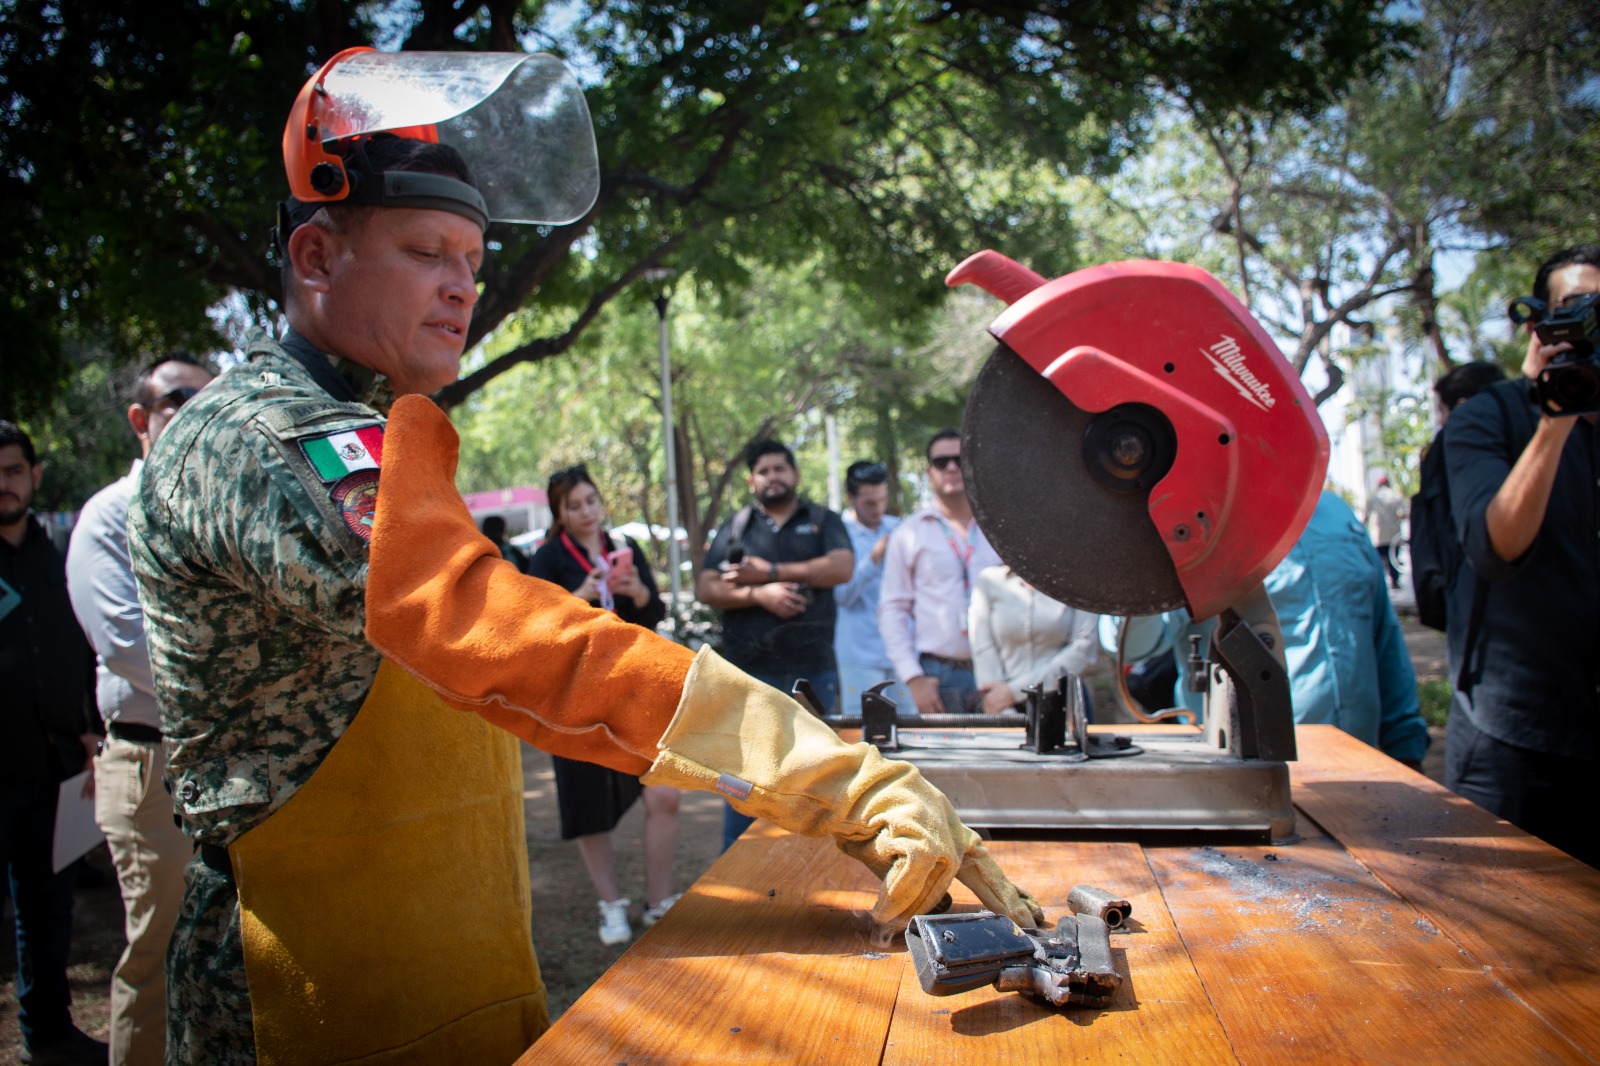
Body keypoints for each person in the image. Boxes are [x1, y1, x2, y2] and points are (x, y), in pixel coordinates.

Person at [128, 57, 1038, 1065]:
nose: (461, 289)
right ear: (315, 255)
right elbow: (505, 632)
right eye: (427, 251)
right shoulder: (266, 439)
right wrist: (831, 776)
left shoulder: (371, 428)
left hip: (443, 979)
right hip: (300, 1005)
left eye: (473, 260)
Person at [65, 354, 214, 1066]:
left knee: (228, 960)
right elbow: (131, 648)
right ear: (140, 419)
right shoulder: (107, 517)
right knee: (159, 960)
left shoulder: (224, 513)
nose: (195, 411)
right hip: (153, 763)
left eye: (210, 400)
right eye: (177, 399)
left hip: (226, 760)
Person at [1441, 244, 1600, 867]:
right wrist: (1556, 413)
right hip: (1511, 743)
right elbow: (1494, 545)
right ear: (1539, 323)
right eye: (1576, 307)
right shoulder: (1487, 418)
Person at [1106, 492, 1428, 767]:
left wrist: (1407, 745)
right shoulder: (1200, 520)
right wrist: (1140, 539)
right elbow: (1132, 646)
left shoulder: (1335, 512)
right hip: (1241, 776)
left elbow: (1383, 638)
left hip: (1359, 765)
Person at [525, 464, 679, 946]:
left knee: (664, 793)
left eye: (591, 501)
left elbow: (655, 612)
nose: (586, 512)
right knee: (589, 802)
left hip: (632, 688)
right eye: (574, 506)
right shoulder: (549, 558)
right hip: (575, 696)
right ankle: (611, 906)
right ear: (560, 513)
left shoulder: (623, 549)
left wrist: (635, 591)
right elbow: (538, 626)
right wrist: (582, 595)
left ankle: (660, 903)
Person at [0, 420, 107, 1066]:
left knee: (48, 910)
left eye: (12, 470)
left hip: (58, 769)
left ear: (33, 476)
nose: (2, 484)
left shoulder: (63, 554)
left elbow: (85, 649)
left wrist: (90, 731)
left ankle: (49, 1032)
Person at [697, 439, 854, 849]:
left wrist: (769, 571)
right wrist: (759, 595)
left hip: (813, 669)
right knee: (744, 772)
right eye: (763, 471)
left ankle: (817, 859)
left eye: (780, 469)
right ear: (752, 481)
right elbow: (706, 586)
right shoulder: (737, 527)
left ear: (796, 474)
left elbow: (842, 566)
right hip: (750, 672)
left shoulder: (822, 520)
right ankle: (736, 860)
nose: (773, 477)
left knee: (817, 771)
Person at [879, 429, 1002, 716]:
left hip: (1005, 671)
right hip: (939, 674)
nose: (951, 467)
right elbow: (892, 610)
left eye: (959, 459)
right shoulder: (909, 533)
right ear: (928, 471)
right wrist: (913, 677)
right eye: (941, 461)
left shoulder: (1001, 529)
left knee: (1006, 757)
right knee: (948, 760)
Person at [1409, 362, 1507, 630]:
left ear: (1463, 407)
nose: (1440, 421)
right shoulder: (1533, 431)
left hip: (1473, 604)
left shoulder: (1446, 446)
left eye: (1441, 411)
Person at [969, 565, 1100, 715]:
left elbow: (1084, 647)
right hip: (1002, 708)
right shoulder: (989, 580)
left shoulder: (1077, 580)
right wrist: (1002, 707)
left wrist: (1015, 692)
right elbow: (982, 647)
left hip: (1062, 705)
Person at [834, 460, 909, 717]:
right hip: (859, 654)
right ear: (850, 498)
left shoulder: (899, 528)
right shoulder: (838, 534)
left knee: (914, 730)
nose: (878, 508)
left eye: (882, 500)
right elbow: (842, 596)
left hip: (903, 652)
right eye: (869, 503)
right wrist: (874, 558)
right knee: (866, 734)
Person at [1363, 474, 1406, 589]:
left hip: (1378, 535)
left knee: (1379, 560)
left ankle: (1381, 584)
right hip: (1393, 533)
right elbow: (1402, 514)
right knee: (1393, 558)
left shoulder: (1372, 498)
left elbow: (1365, 517)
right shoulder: (1395, 496)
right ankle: (1395, 582)